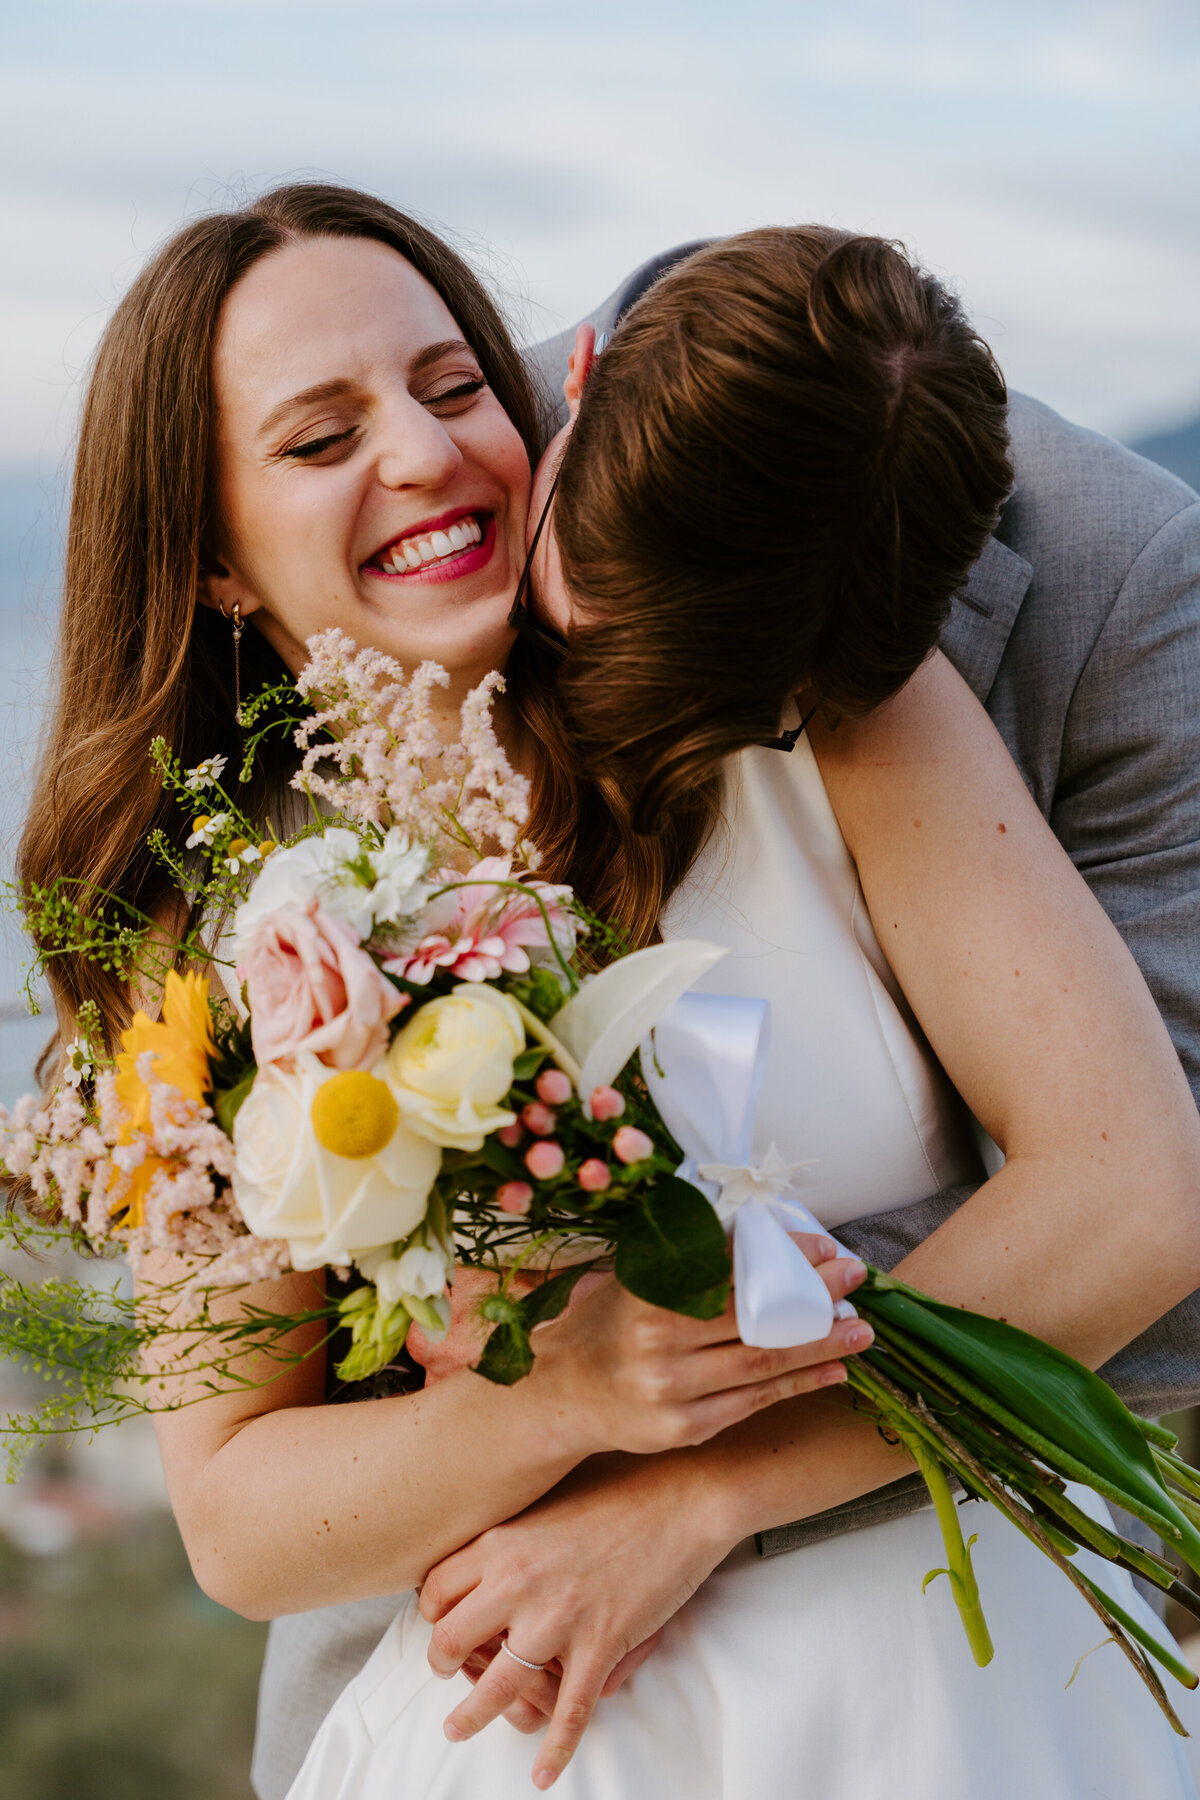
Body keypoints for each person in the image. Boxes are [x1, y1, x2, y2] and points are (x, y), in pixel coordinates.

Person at [22, 190, 1199, 1797]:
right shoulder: (230, 932)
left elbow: (1131, 1184)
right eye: (319, 439)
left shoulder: (811, 676)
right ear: (218, 559)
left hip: (953, 1672)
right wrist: (559, 1404)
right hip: (545, 1732)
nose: (430, 456)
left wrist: (705, 1480)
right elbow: (238, 1520)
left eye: (454, 390)